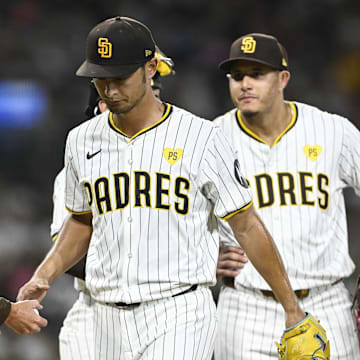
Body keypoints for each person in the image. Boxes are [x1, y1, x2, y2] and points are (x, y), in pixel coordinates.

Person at [17, 17, 323, 360]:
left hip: (178, 311)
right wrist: (44, 274)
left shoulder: (201, 137)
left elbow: (247, 224)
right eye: (101, 80)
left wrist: (292, 309)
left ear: (151, 68)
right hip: (102, 316)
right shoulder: (80, 140)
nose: (110, 90)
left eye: (120, 78)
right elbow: (81, 221)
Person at [213, 33, 360, 359]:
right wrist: (205, 256)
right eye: (237, 76)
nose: (245, 84)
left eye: (256, 74)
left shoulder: (332, 131)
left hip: (325, 302)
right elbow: (177, 219)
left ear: (283, 78)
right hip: (245, 308)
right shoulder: (212, 138)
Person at [50, 48, 175, 359]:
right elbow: (69, 256)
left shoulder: (177, 166)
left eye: (155, 94)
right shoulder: (76, 169)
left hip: (167, 310)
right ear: (100, 106)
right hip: (97, 313)